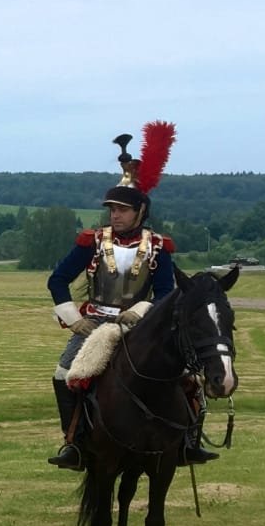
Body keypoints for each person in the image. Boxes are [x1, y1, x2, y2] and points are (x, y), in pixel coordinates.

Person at [46, 122, 217, 470]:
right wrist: (75, 320)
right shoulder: (91, 241)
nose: (115, 215)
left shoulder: (158, 246)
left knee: (187, 375)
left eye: (122, 210)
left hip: (143, 324)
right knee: (64, 374)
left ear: (140, 211)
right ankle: (74, 443)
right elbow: (58, 280)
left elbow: (167, 292)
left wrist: (139, 313)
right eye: (112, 209)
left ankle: (187, 441)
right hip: (95, 325)